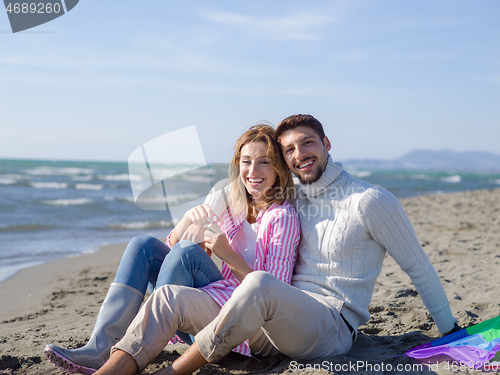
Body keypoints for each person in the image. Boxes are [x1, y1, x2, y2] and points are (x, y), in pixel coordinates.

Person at [93, 114, 460, 375]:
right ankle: (111, 368)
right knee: (166, 297)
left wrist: (451, 333)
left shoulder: (369, 201)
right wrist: (195, 214)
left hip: (331, 326)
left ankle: (177, 370)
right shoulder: (294, 196)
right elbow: (231, 190)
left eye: (308, 143)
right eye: (289, 149)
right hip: (270, 321)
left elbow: (418, 267)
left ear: (327, 144)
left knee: (258, 283)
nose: (299, 153)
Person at [44, 123, 300, 374]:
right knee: (143, 246)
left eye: (264, 161)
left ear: (278, 167)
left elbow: (273, 294)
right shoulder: (234, 205)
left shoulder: (282, 217)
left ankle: (142, 339)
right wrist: (187, 220)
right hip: (213, 300)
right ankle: (101, 346)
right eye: (246, 161)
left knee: (187, 252)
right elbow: (169, 255)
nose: (253, 170)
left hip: (241, 323)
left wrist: (227, 254)